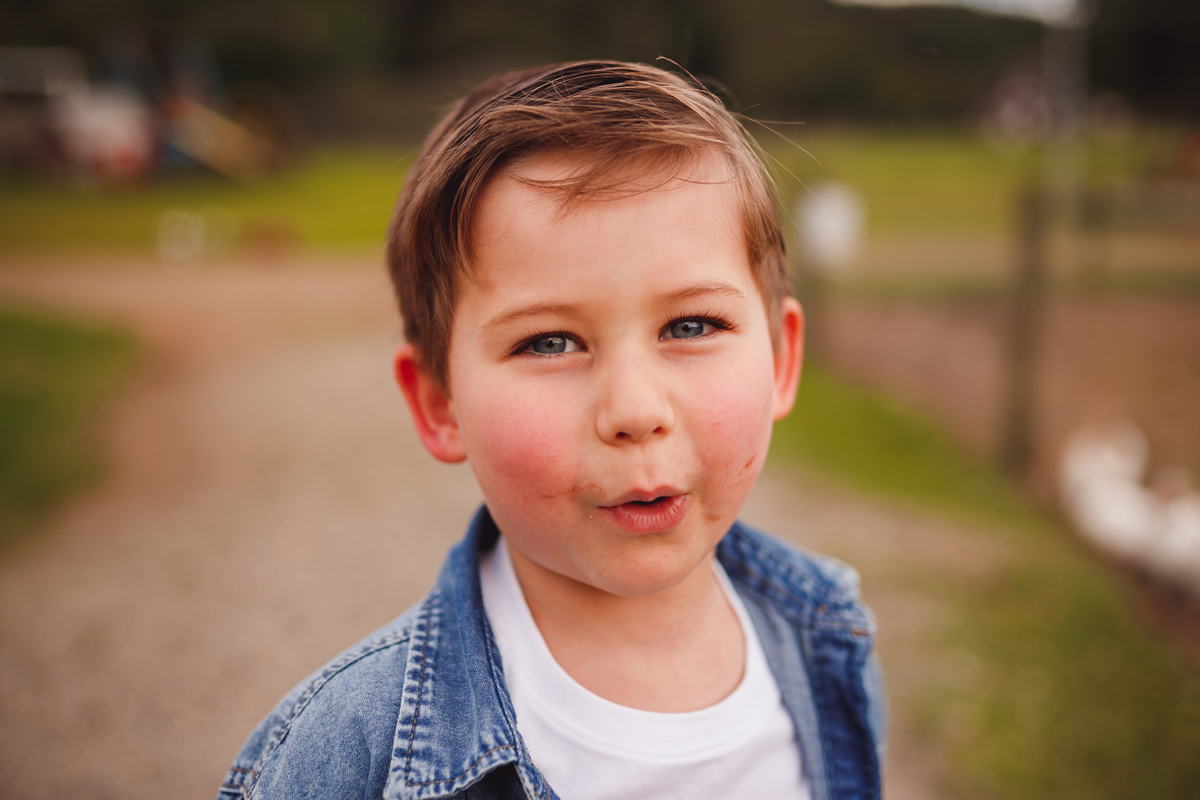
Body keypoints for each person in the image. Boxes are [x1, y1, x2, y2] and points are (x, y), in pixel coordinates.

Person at [217, 60, 885, 800]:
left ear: (782, 358)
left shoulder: (827, 636)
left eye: (690, 325)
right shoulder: (346, 752)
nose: (635, 411)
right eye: (550, 342)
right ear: (440, 404)